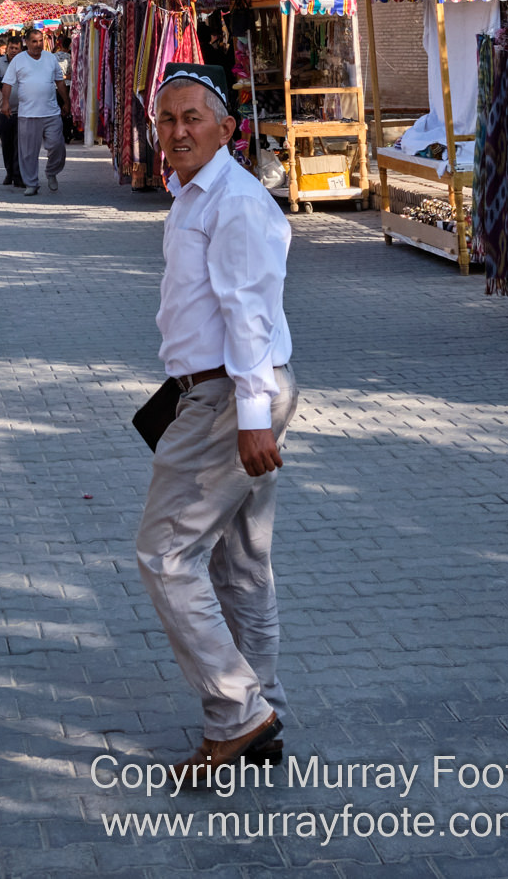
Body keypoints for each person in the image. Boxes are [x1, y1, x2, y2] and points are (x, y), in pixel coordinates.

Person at [135, 62, 297, 776]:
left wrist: (251, 418)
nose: (176, 132)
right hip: (224, 395)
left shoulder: (234, 202)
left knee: (166, 555)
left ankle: (238, 713)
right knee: (240, 566)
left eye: (191, 118)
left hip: (231, 398)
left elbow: (250, 313)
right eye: (166, 120)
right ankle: (266, 715)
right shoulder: (195, 194)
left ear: (226, 128)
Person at [1, 27, 69, 196]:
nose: (38, 45)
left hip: (51, 112)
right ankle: (31, 183)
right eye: (34, 41)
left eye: (40, 41)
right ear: (27, 42)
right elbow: (7, 84)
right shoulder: (18, 60)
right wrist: (6, 103)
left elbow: (59, 82)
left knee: (57, 146)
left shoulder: (50, 58)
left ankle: (51, 172)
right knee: (28, 152)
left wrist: (67, 102)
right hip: (28, 114)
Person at [0, 35, 23, 186]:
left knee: (19, 144)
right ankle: (9, 172)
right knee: (6, 144)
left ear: (21, 49)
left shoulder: (25, 62)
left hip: (22, 110)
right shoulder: (0, 62)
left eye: (16, 49)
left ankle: (18, 175)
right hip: (3, 111)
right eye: (11, 48)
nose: (13, 51)